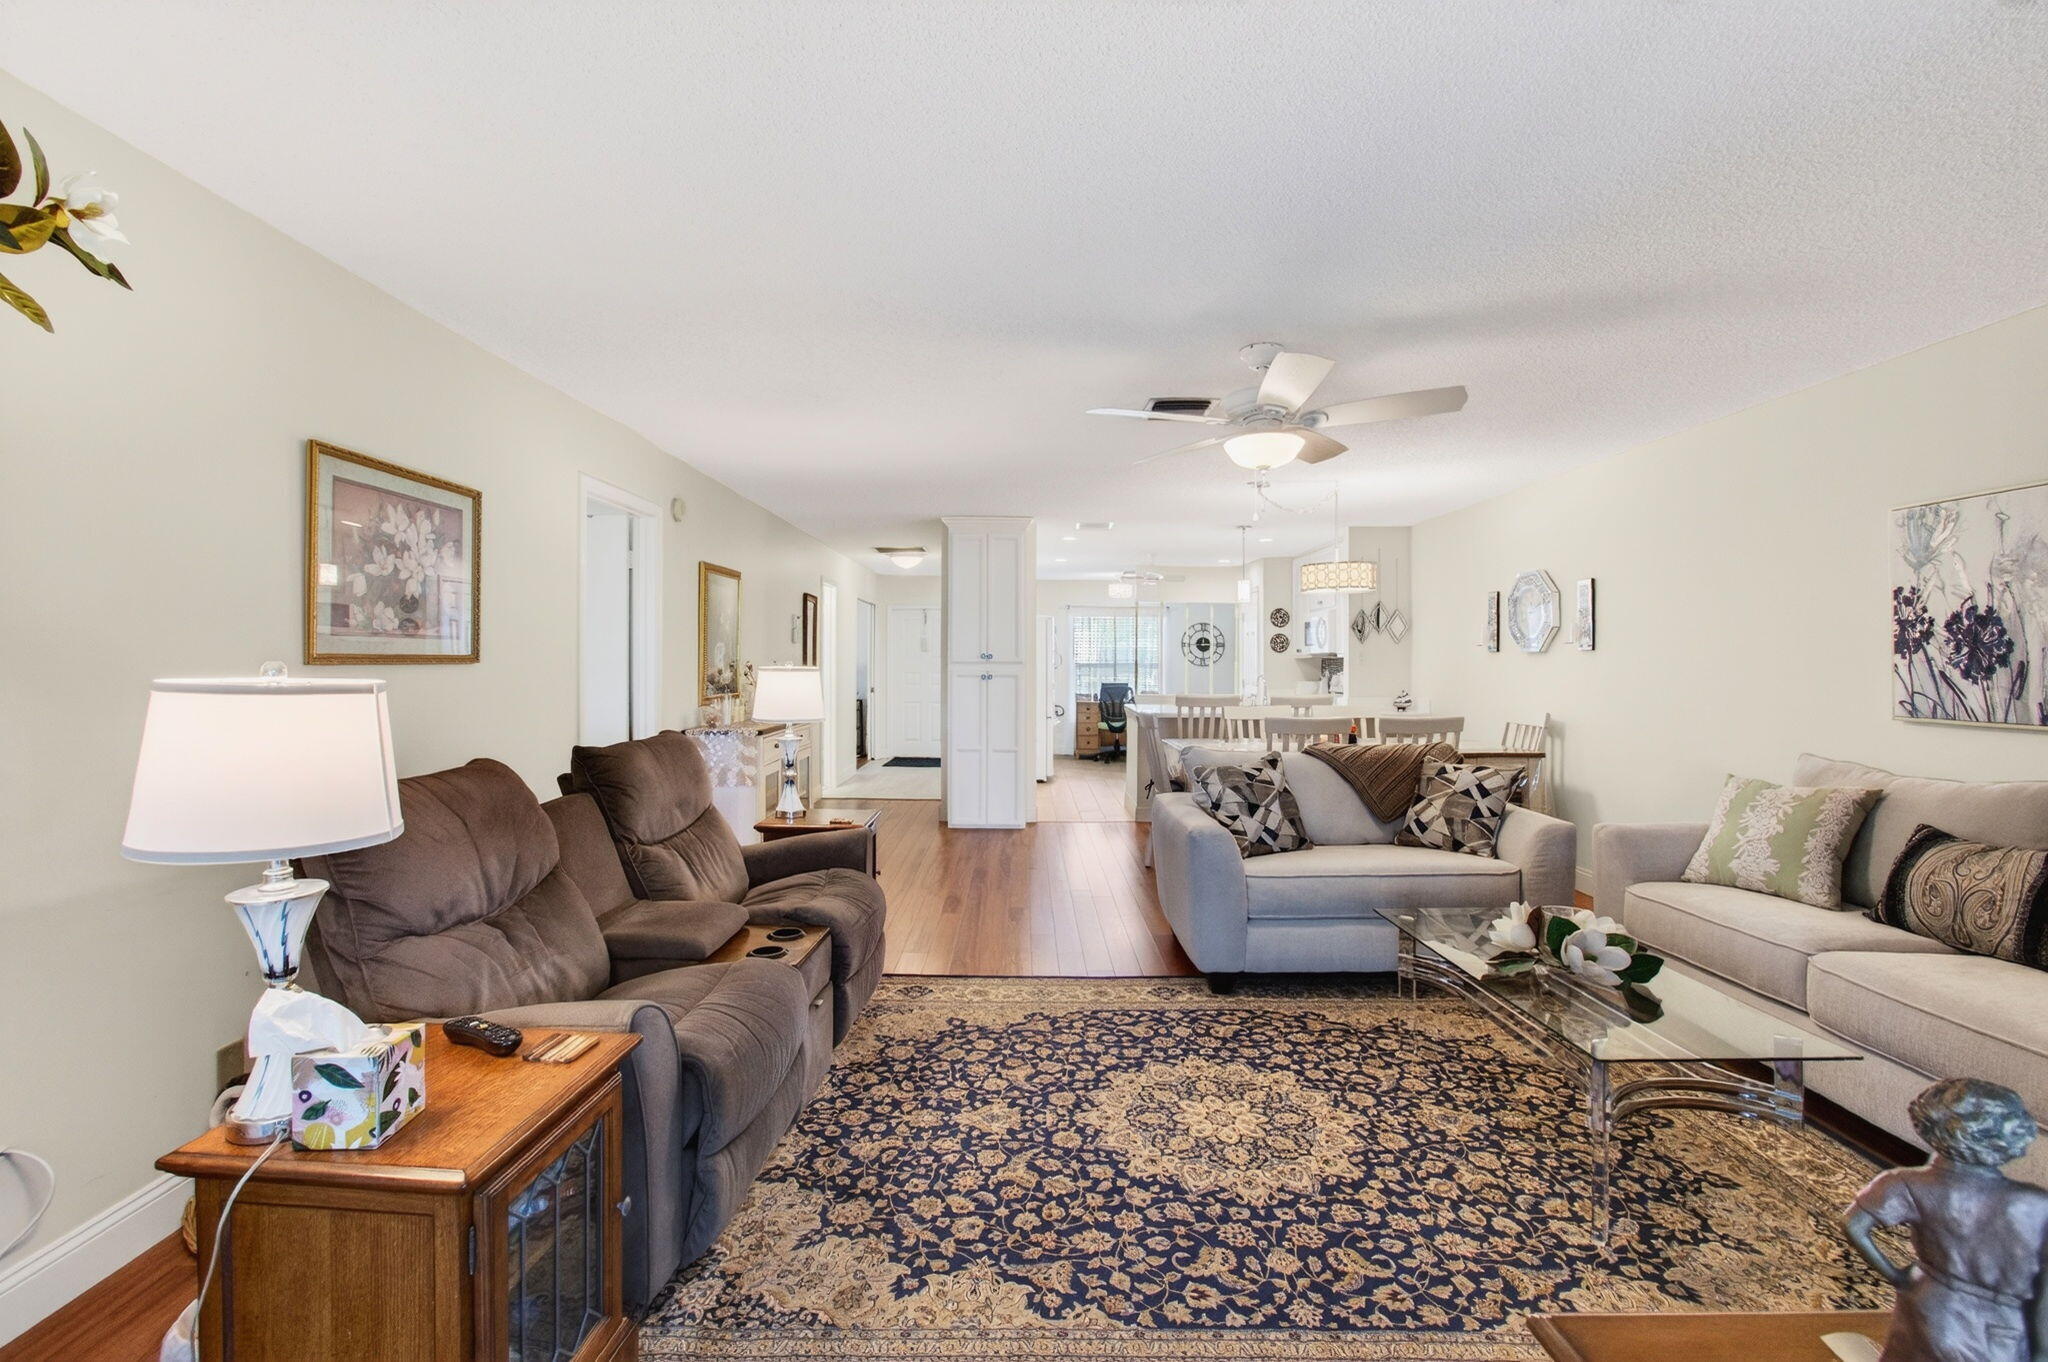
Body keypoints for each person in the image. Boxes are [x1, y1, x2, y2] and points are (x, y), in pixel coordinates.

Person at [1844, 1079, 2048, 1362]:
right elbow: (2044, 1295)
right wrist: (2041, 1351)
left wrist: (1898, 1276)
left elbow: (1853, 1225)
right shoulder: (2038, 1205)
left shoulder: (1906, 1182)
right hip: (2000, 1324)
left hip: (1927, 1301)